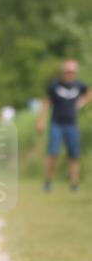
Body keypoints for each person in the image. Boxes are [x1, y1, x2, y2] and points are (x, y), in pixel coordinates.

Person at [37, 60, 90, 192]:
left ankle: (74, 184)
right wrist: (41, 121)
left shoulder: (79, 86)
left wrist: (81, 103)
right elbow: (46, 103)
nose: (69, 74)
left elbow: (89, 93)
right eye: (67, 71)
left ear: (75, 73)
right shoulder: (54, 86)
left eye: (72, 72)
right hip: (56, 124)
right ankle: (48, 182)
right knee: (53, 153)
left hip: (72, 124)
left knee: (74, 155)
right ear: (63, 72)